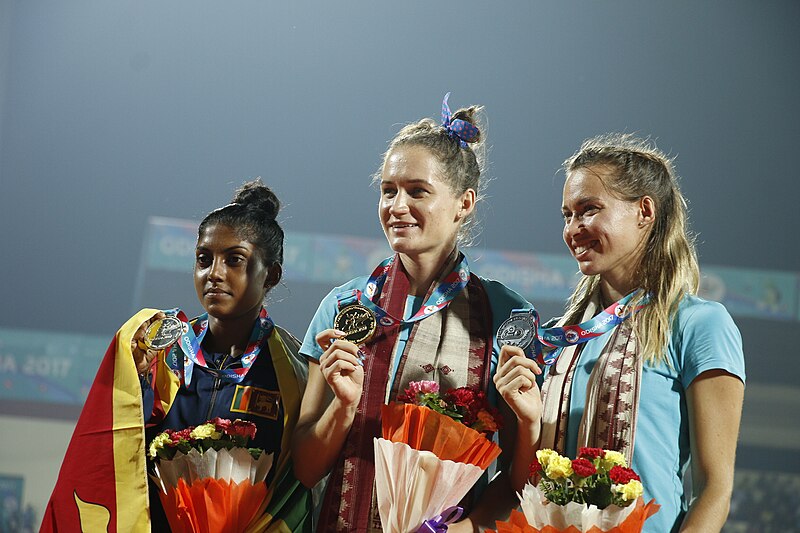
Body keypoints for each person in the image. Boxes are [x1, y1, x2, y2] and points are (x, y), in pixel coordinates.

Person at [291, 94, 542, 533]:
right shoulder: (344, 306)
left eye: (417, 191)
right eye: (388, 190)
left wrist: (467, 528)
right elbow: (305, 471)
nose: (396, 206)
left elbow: (521, 481)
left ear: (464, 203)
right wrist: (344, 408)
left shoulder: (507, 315)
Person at [507, 134, 745, 532]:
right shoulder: (555, 339)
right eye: (567, 215)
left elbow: (715, 489)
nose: (573, 229)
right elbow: (525, 490)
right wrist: (528, 424)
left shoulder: (699, 324)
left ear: (645, 210)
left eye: (589, 210)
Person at [133, 179, 313, 531]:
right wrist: (136, 381)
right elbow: (124, 451)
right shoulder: (161, 352)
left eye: (234, 260)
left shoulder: (295, 371)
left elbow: (297, 484)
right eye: (204, 259)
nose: (214, 273)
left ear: (271, 275)